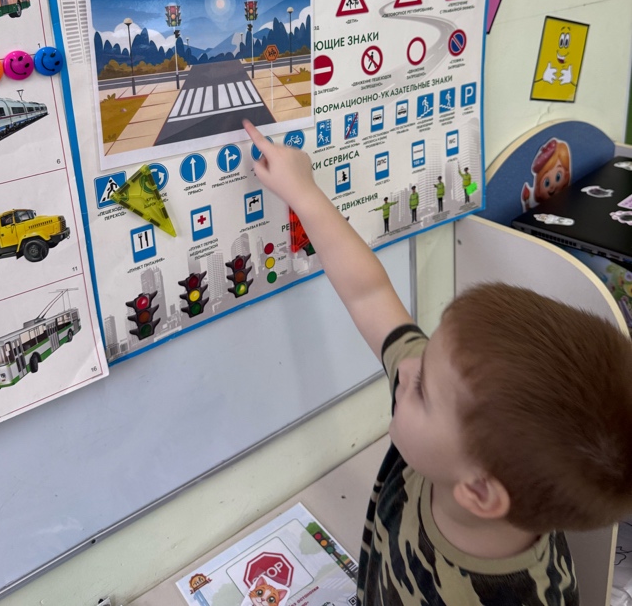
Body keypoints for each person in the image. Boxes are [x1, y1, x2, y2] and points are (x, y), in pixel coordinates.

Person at [243, 119, 632, 606]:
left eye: (423, 390)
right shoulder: (458, 433)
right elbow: (370, 294)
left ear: (479, 492)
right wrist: (303, 191)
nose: (406, 368)